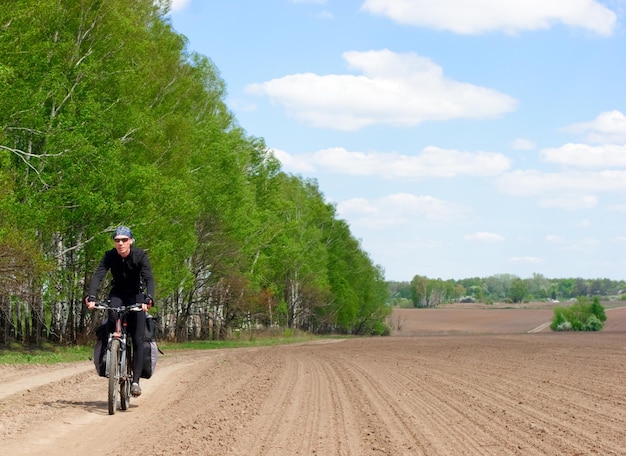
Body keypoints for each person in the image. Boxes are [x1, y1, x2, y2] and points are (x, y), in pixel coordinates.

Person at [85, 226, 155, 397]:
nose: (120, 243)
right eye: (117, 240)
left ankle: (136, 382)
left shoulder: (140, 256)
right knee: (112, 313)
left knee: (138, 339)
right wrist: (91, 296)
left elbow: (149, 278)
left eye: (124, 240)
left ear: (130, 241)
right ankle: (111, 350)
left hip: (136, 296)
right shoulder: (110, 256)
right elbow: (98, 275)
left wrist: (149, 298)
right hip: (118, 294)